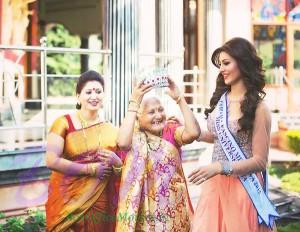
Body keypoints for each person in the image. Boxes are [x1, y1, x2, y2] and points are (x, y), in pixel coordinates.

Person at [188, 37, 279, 232]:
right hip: (215, 187)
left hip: (244, 188)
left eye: (227, 63)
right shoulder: (221, 100)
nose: (221, 69)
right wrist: (192, 130)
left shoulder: (259, 108)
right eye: (220, 64)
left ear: (243, 62)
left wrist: (221, 167)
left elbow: (260, 161)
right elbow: (218, 137)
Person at [115, 77, 201, 231]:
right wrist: (134, 102)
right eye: (151, 112)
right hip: (142, 215)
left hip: (173, 213)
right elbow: (122, 143)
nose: (158, 115)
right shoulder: (133, 136)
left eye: (160, 109)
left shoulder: (171, 130)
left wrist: (180, 98)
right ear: (138, 118)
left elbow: (194, 133)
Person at [45, 70, 123, 232]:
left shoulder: (112, 130)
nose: (94, 96)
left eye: (98, 91)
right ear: (78, 96)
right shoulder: (63, 123)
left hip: (100, 202)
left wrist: (117, 163)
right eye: (88, 92)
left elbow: (124, 171)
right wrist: (90, 169)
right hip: (66, 201)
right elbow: (51, 160)